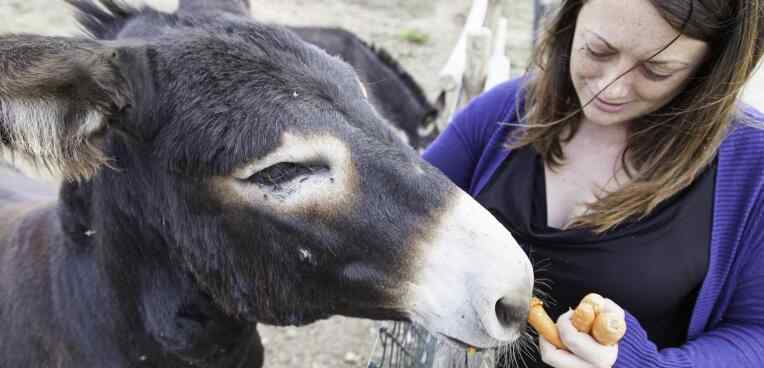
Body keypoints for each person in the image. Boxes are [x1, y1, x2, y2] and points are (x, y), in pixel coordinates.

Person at [423, 0, 764, 367]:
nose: (610, 88)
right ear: (571, 18)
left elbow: (756, 333)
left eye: (656, 71)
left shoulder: (752, 166)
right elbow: (403, 218)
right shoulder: (501, 114)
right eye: (598, 50)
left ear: (711, 68)